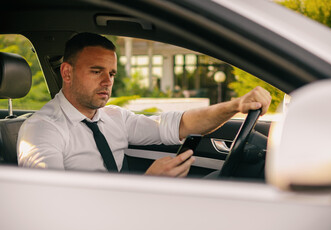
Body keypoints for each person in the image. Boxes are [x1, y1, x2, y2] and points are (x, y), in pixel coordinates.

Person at [17, 32, 271, 177]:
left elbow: (182, 123)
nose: (108, 81)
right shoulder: (42, 129)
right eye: (96, 71)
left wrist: (236, 105)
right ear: (67, 73)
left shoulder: (113, 117)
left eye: (112, 73)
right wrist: (148, 183)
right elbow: (51, 203)